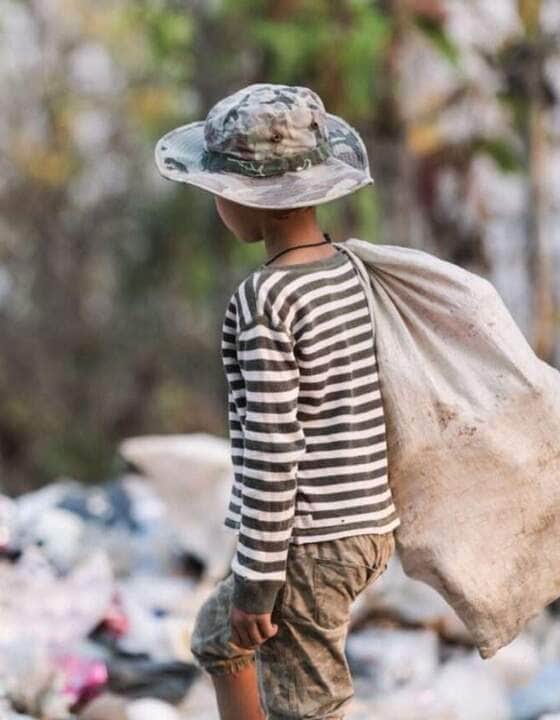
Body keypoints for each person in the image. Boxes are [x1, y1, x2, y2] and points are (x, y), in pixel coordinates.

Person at [154, 83, 400, 720]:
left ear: (246, 199)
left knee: (307, 705)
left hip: (308, 542)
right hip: (366, 523)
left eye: (217, 190)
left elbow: (272, 452)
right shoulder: (349, 270)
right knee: (220, 638)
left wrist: (259, 582)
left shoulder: (266, 302)